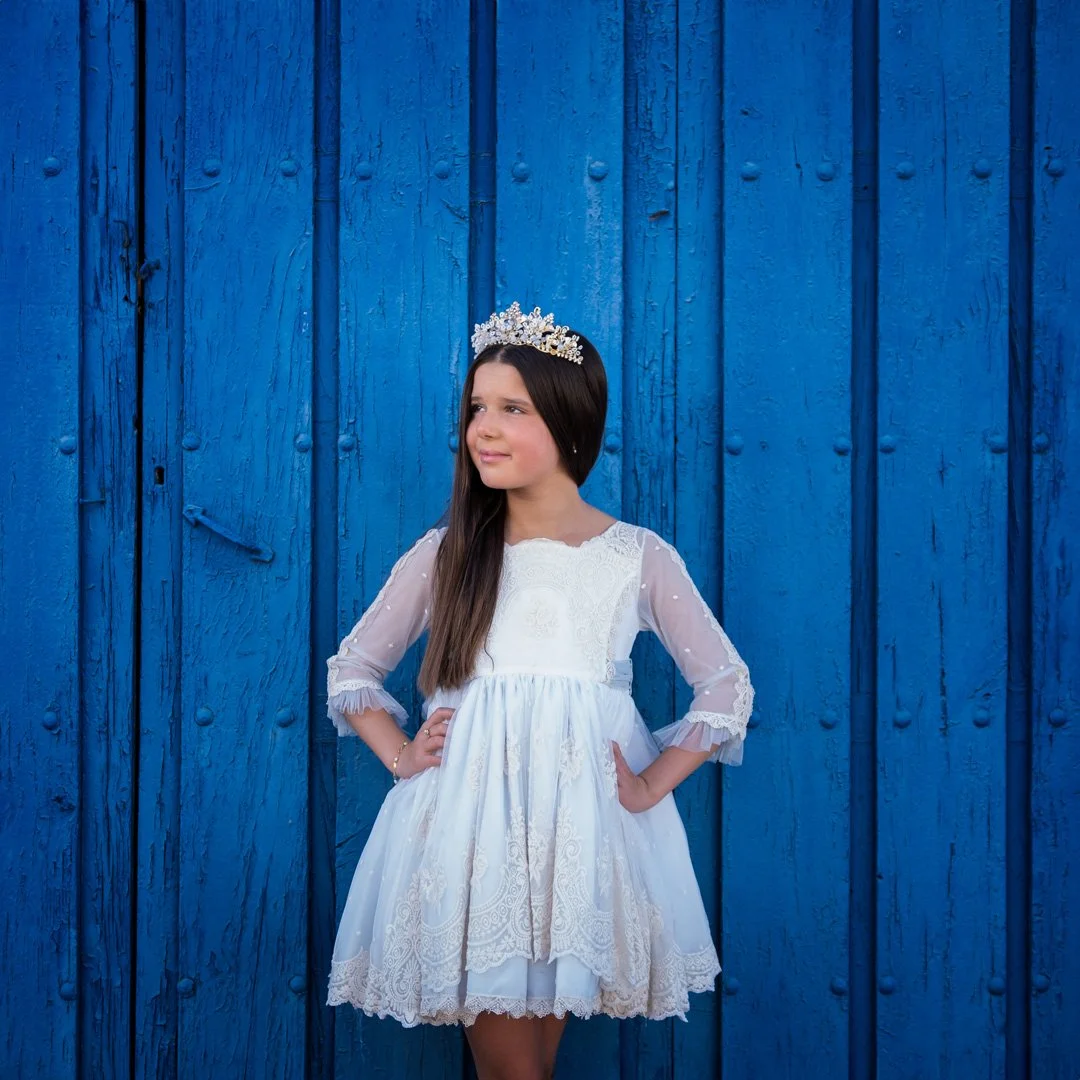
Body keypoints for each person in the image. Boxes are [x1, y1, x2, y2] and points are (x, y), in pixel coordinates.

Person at [324, 301, 755, 1080]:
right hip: (474, 830)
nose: (483, 427)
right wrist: (400, 753)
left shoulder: (635, 556)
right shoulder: (449, 552)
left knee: (532, 1066)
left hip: (579, 834)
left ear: (570, 422)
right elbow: (352, 669)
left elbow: (724, 685)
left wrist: (654, 779)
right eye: (476, 408)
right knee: (514, 1073)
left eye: (511, 409)